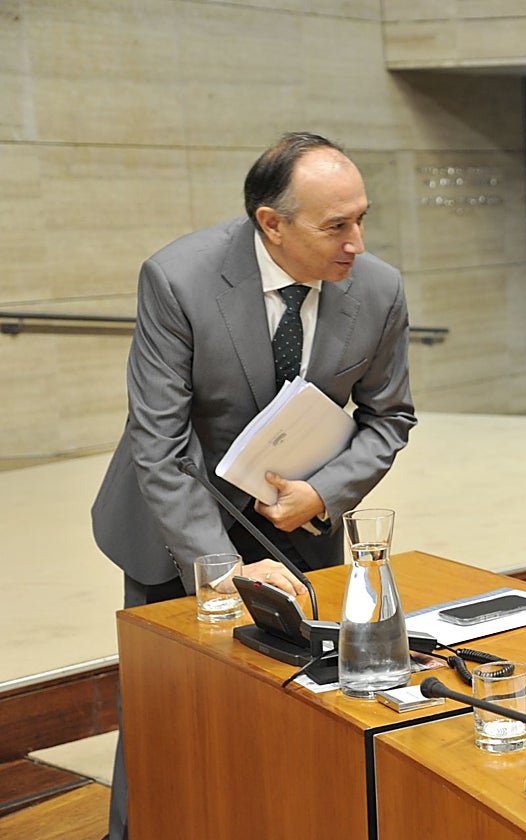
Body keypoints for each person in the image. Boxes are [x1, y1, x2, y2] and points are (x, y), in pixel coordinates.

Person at [92, 132, 417, 839]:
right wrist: (225, 570)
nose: (356, 242)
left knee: (305, 706)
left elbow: (391, 417)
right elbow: (159, 443)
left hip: (300, 522)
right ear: (273, 223)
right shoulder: (178, 279)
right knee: (166, 714)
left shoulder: (380, 288)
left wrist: (324, 494)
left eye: (363, 218)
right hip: (179, 524)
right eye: (337, 225)